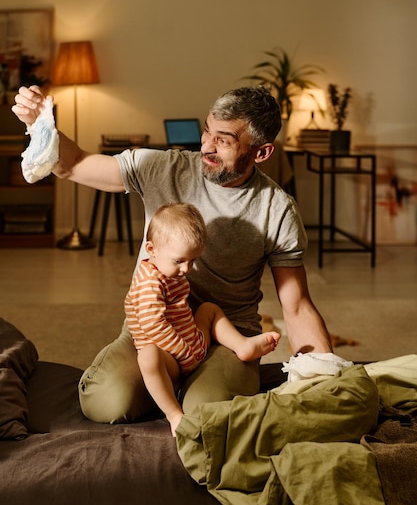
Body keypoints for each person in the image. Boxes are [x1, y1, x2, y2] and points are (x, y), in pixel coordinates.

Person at [12, 84, 333, 425]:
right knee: (105, 402)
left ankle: (188, 388)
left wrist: (324, 375)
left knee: (206, 415)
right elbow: (73, 165)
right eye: (207, 132)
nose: (207, 147)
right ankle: (167, 382)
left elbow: (296, 305)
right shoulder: (162, 167)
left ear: (262, 152)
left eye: (223, 140)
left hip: (225, 331)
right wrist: (40, 123)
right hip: (155, 325)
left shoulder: (277, 209)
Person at [126, 202, 280, 435]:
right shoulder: (149, 283)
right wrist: (184, 353)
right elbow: (154, 327)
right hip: (173, 358)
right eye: (180, 261)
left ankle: (243, 345)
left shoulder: (169, 271)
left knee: (208, 310)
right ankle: (173, 414)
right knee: (148, 357)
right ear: (151, 249)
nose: (187, 269)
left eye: (193, 261)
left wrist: (193, 341)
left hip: (193, 342)